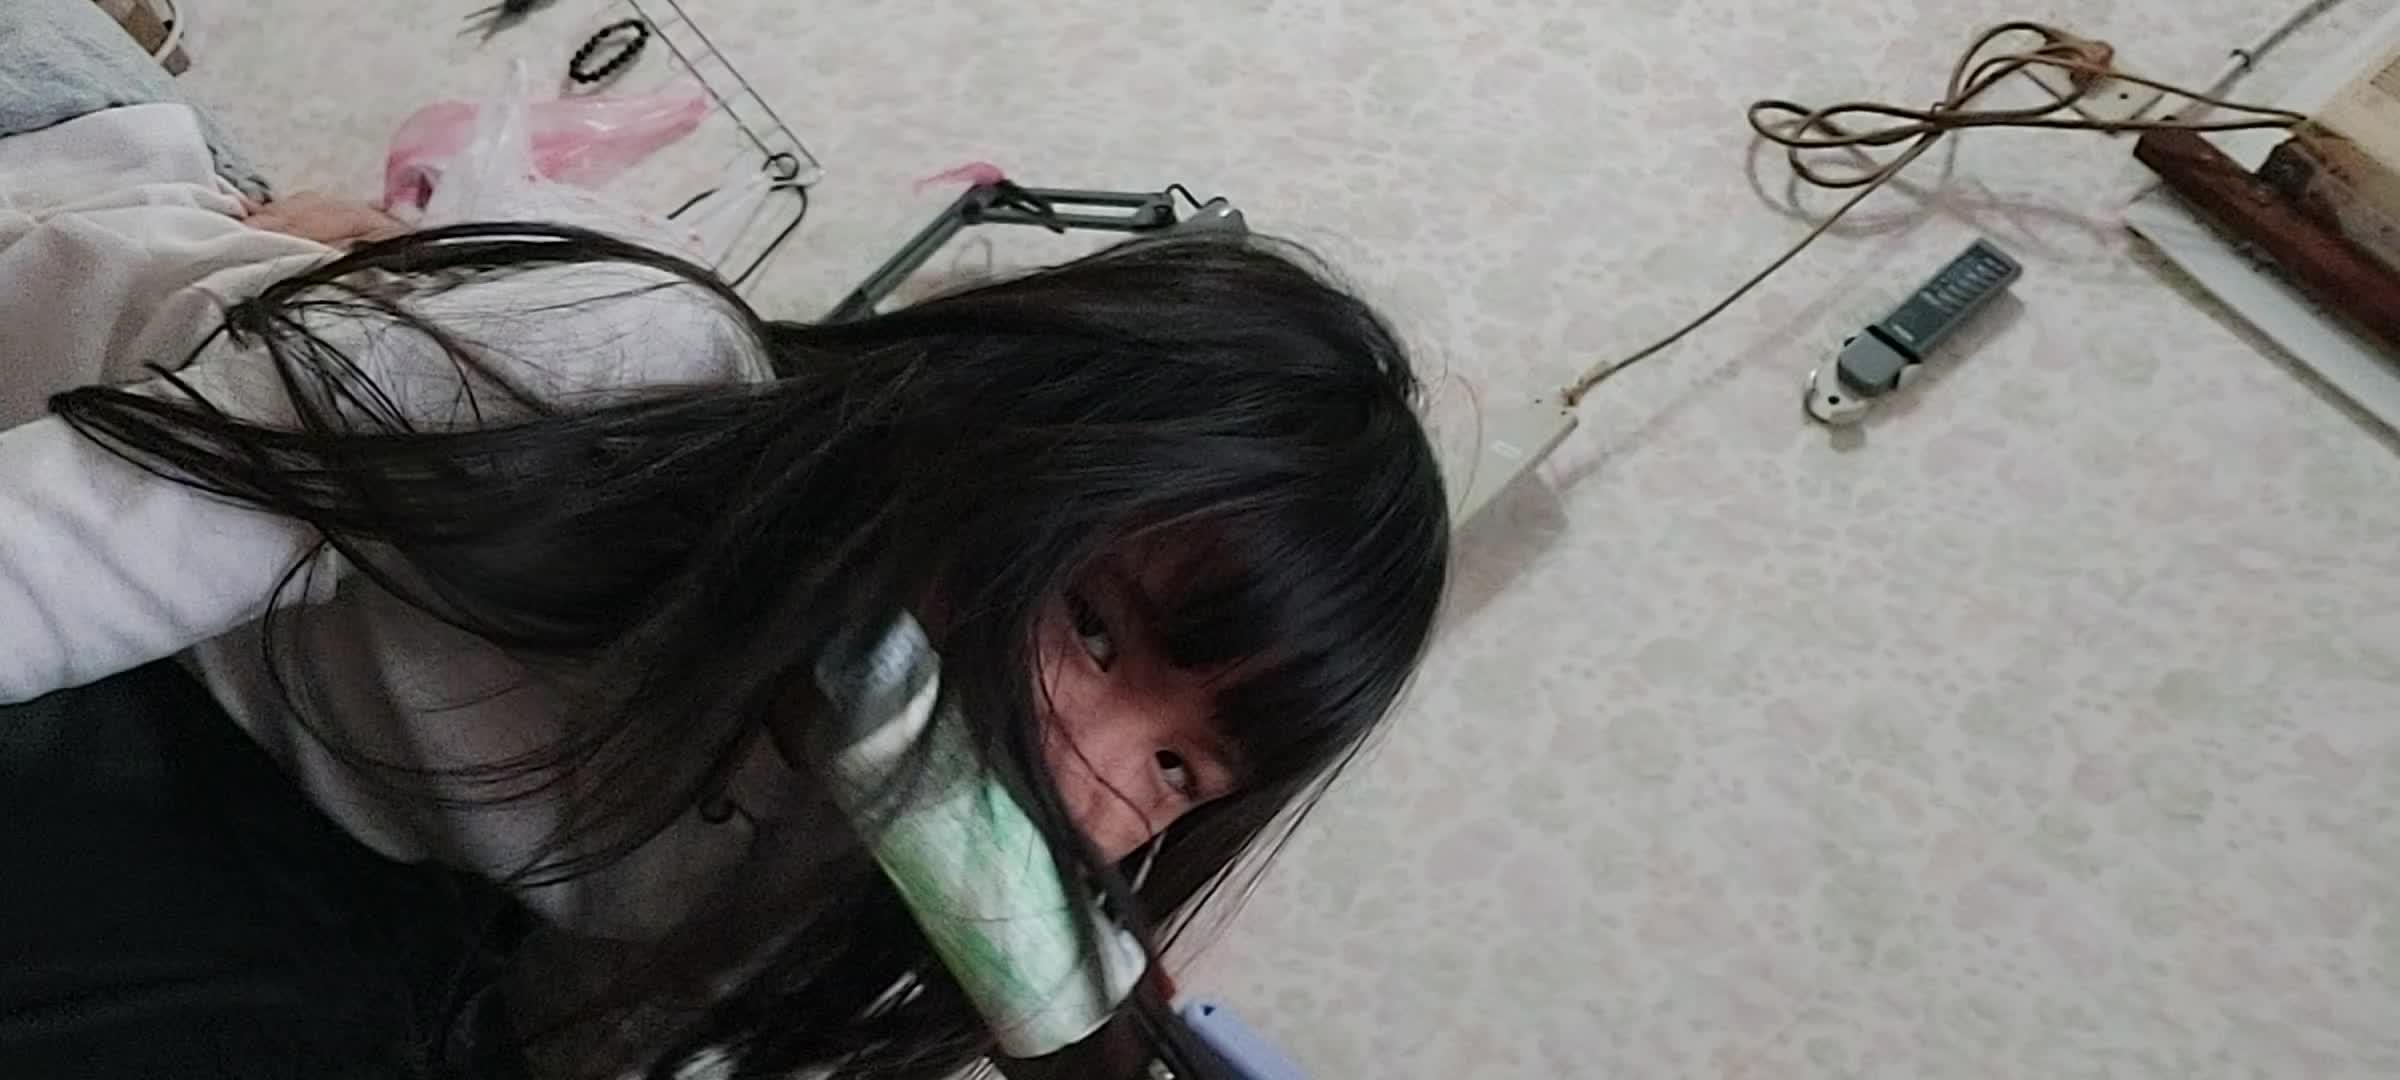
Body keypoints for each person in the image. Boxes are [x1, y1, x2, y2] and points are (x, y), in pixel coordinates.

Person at [0, 10, 1451, 1077]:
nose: (1088, 777)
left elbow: (588, 1033)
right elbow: (54, 562)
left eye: (1180, 772)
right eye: (1093, 626)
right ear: (964, 432)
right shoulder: (612, 374)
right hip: (56, 215)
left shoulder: (829, 859)